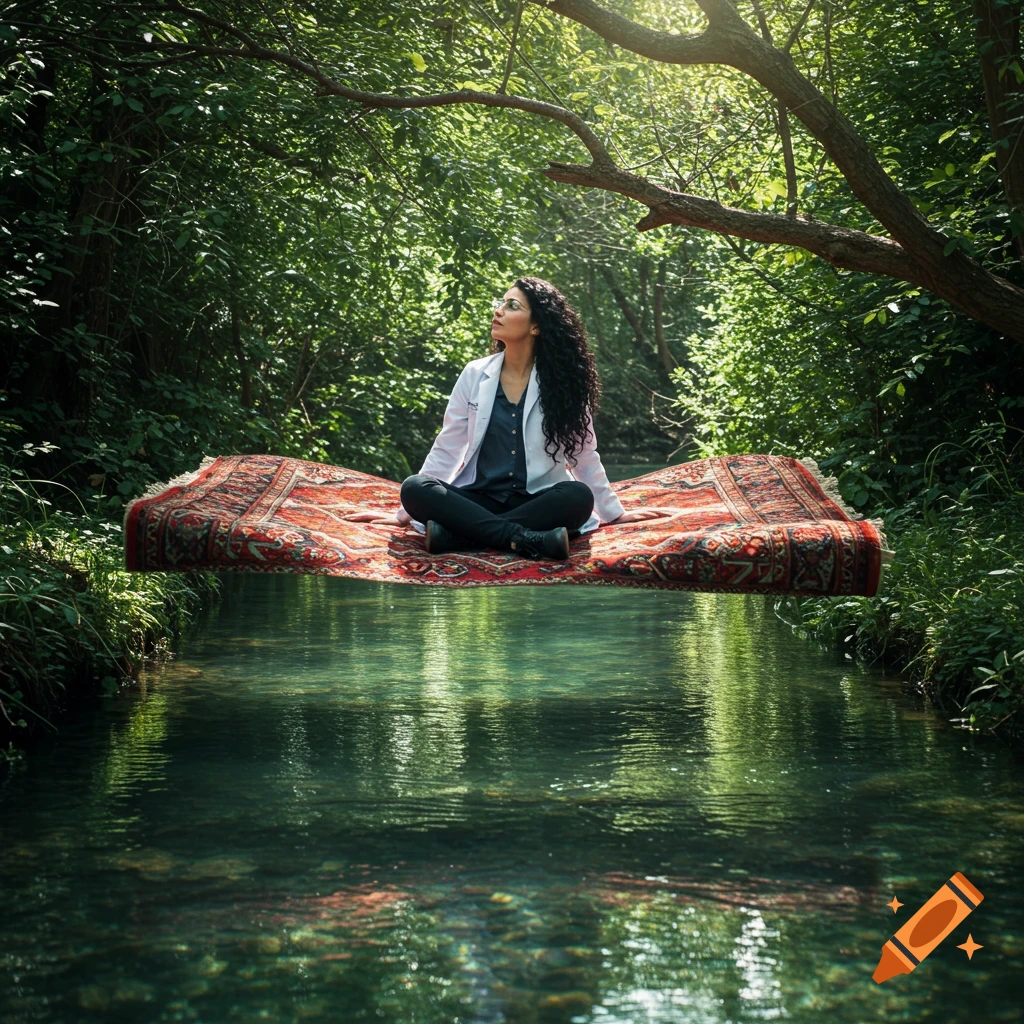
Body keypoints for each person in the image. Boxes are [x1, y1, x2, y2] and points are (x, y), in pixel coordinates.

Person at [347, 276, 668, 559]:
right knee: (416, 487)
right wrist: (404, 514)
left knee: (577, 497)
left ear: (536, 325)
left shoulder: (565, 382)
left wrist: (614, 514)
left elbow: (582, 454)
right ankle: (524, 539)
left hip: (538, 501)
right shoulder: (475, 373)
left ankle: (457, 537)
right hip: (476, 500)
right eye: (499, 303)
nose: (498, 310)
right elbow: (449, 447)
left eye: (511, 305)